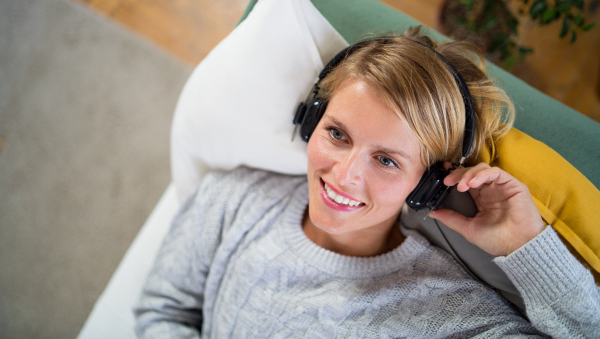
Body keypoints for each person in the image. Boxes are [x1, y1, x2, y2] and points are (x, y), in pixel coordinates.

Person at [134, 28, 600, 338]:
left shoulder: (450, 311)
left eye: (387, 160)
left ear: (429, 184)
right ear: (310, 120)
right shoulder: (231, 197)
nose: (345, 174)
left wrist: (529, 248)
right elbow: (161, 312)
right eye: (337, 134)